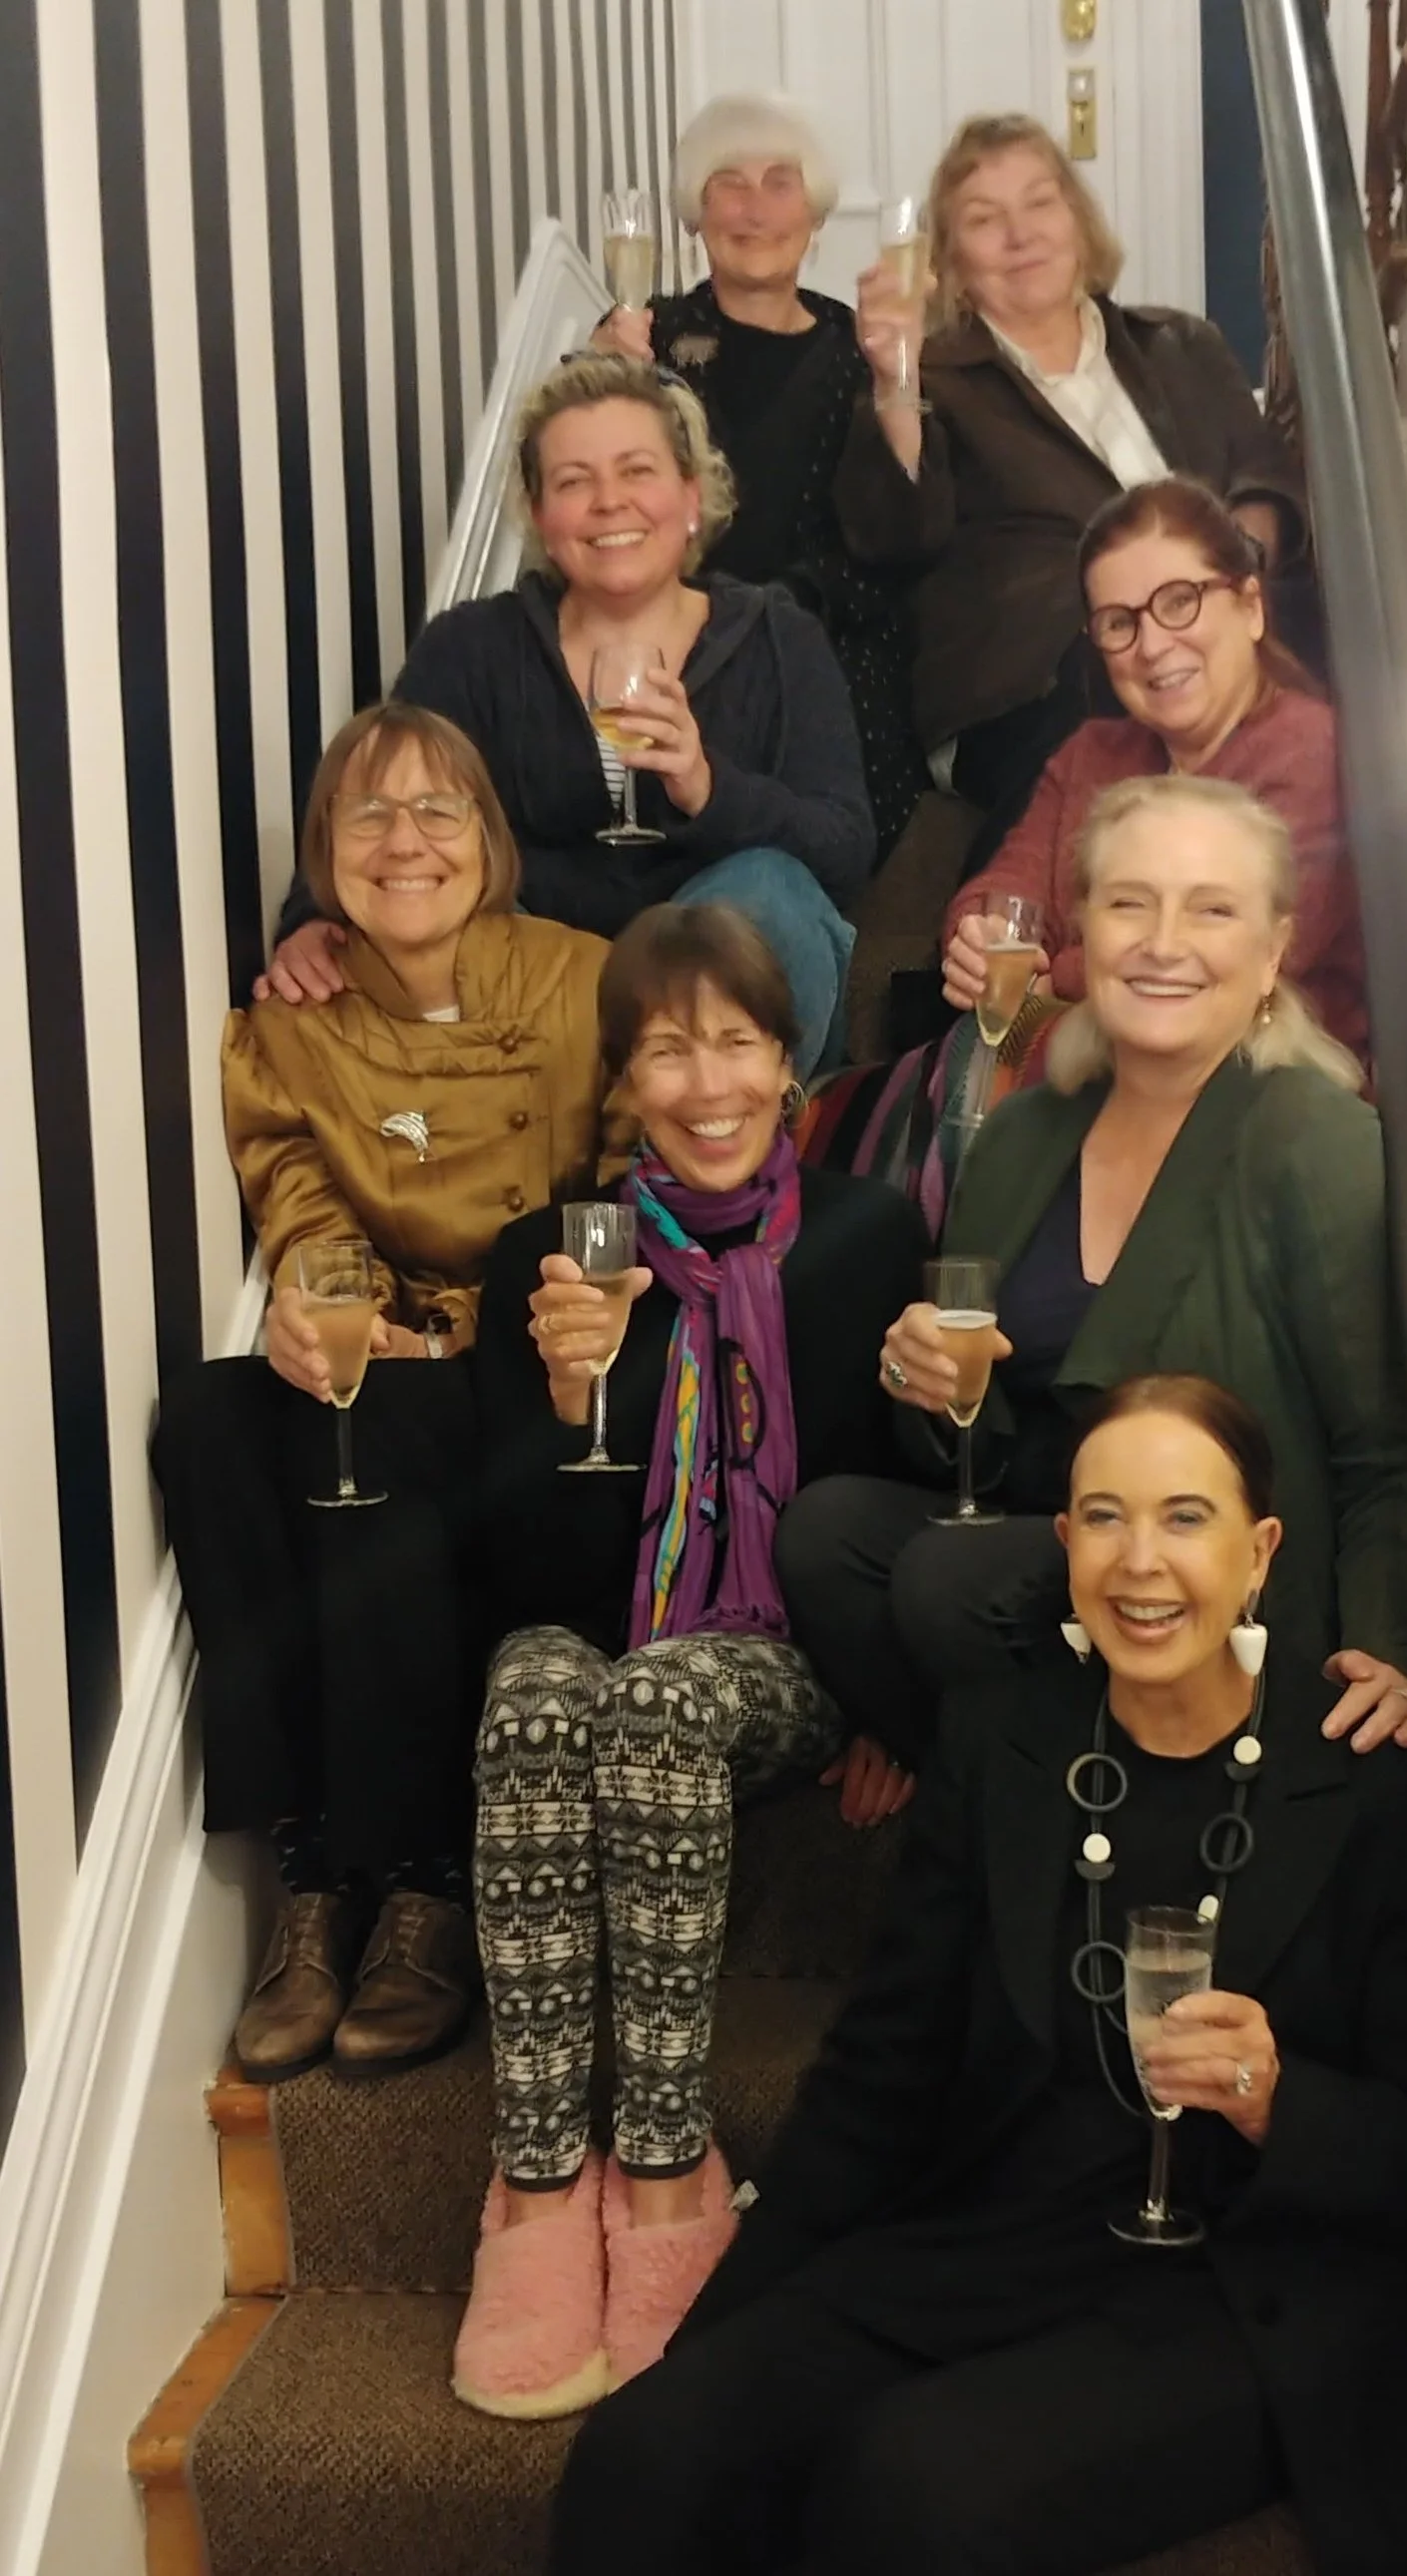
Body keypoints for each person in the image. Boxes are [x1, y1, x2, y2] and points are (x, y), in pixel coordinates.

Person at [551, 1375, 1407, 2576]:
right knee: (648, 2449)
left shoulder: (1372, 1778)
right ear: (1063, 1541)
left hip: (1243, 2290)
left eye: (1184, 1517)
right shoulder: (1003, 1737)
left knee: (912, 2488)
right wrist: (729, 2333)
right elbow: (879, 2069)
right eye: (1103, 1515)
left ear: (1259, 1551)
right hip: (996, 2241)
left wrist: (1277, 2096)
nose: (1139, 1560)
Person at [451, 904, 927, 2421]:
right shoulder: (550, 1255)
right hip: (598, 1632)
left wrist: (899, 1702)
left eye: (735, 1039)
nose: (706, 1080)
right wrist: (565, 1392)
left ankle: (662, 2160)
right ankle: (537, 2178)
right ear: (624, 1081)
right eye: (667, 1046)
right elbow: (518, 1574)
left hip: (770, 1657)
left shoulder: (863, 1235)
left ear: (787, 1063)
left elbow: (896, 1503)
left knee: (650, 1701)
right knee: (535, 1689)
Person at [777, 773, 1407, 1773]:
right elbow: (972, 1453)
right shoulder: (1021, 1133)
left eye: (1210, 907)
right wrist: (938, 1385)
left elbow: (1383, 1449)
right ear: (1082, 931)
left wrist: (1397, 1653)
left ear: (1271, 952)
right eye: (1130, 901)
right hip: (1053, 1548)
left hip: (1229, 1584)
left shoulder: (1317, 1137)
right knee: (827, 1535)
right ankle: (1013, 1800)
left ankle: (1035, 1812)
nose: (1163, 940)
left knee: (950, 1578)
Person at [153, 703, 608, 2085]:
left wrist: (526, 1317)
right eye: (368, 816)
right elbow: (296, 1196)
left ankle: (420, 1878)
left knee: (378, 1423)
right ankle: (311, 1875)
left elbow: (635, 1178)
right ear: (323, 855)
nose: (404, 841)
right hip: (390, 1337)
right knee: (219, 1414)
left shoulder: (586, 977)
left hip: (544, 1356)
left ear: (489, 839)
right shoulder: (291, 1020)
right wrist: (305, 1303)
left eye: (437, 811)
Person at [259, 356, 872, 1080]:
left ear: (690, 495)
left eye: (636, 471)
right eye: (574, 481)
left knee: (770, 892)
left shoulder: (779, 638)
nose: (609, 502)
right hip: (539, 988)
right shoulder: (472, 647)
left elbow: (843, 850)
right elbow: (382, 799)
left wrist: (710, 791)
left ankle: (709, 1173)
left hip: (730, 995)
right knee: (459, 904)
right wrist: (309, 919)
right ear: (542, 519)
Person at [835, 113, 1306, 814]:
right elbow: (897, 534)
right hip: (1035, 684)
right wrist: (897, 379)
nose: (1021, 235)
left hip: (1215, 651)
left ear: (1077, 218)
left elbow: (1264, 479)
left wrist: (1226, 580)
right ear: (949, 261)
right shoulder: (931, 381)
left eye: (1039, 203)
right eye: (985, 219)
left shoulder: (1179, 343)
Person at [593, 93, 924, 860]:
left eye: (781, 182)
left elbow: (902, 537)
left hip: (828, 645)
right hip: (678, 647)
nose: (754, 208)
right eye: (727, 185)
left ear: (813, 214)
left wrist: (898, 381)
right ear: (694, 216)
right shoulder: (650, 340)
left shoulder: (859, 348)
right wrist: (604, 381)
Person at [943, 475, 1367, 1065]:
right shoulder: (1091, 752)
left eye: (1178, 603)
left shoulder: (1318, 750)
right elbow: (1006, 890)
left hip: (1260, 1092)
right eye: (1120, 623)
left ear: (1251, 606)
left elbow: (1227, 958)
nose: (1152, 645)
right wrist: (977, 941)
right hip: (1086, 1077)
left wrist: (1053, 983)